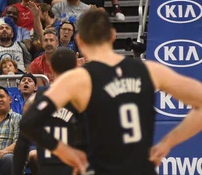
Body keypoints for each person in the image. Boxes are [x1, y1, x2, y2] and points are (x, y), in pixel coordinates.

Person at [20, 10, 202, 175]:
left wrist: (65, 152)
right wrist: (167, 143)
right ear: (113, 36)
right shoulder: (151, 70)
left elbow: (29, 122)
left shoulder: (77, 79)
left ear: (80, 41)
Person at [13, 47, 87, 175]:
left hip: (47, 166)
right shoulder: (84, 97)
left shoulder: (34, 99)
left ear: (51, 67)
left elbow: (22, 145)